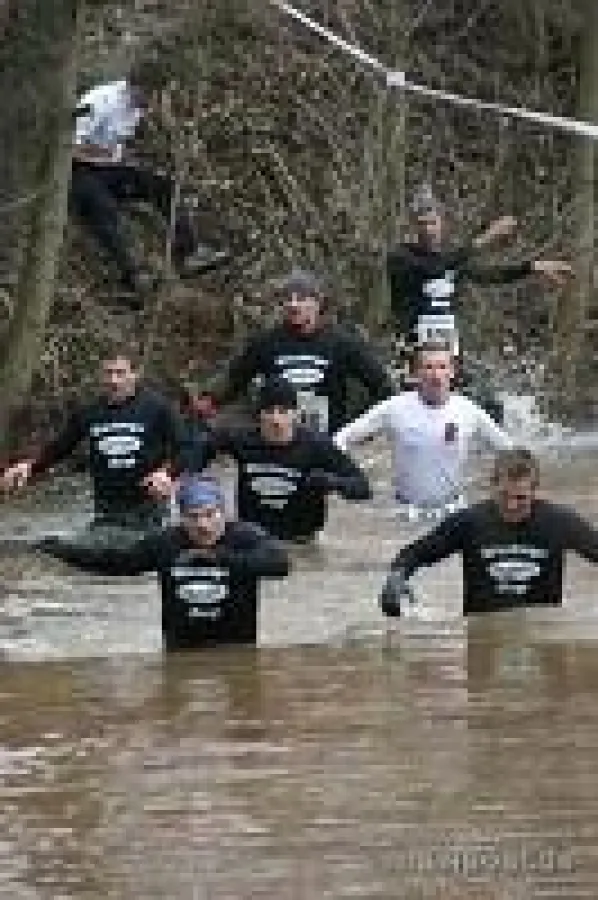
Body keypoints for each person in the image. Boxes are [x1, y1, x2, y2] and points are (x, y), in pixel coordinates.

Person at [386, 184, 573, 420]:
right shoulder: (401, 258)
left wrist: (531, 268)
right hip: (414, 347)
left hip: (447, 347)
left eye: (433, 223)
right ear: (413, 227)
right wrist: (486, 238)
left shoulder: (450, 259)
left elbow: (489, 275)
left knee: (478, 406)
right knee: (417, 407)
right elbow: (433, 268)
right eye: (422, 224)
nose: (428, 230)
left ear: (443, 225)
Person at [44, 476, 290, 651]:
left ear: (224, 513)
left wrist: (219, 558)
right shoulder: (167, 542)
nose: (203, 525)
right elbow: (116, 561)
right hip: (180, 651)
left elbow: (280, 564)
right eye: (193, 518)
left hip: (237, 651)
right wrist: (63, 551)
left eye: (210, 515)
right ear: (181, 518)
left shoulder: (244, 536)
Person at [0, 342, 187, 559]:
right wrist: (29, 467)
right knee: (70, 550)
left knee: (136, 554)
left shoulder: (158, 408)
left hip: (148, 509)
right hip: (107, 509)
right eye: (108, 373)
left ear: (135, 374)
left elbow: (187, 448)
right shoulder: (89, 412)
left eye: (120, 373)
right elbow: (60, 448)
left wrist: (168, 473)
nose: (113, 381)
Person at [71, 57, 231, 301]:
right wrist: (104, 155)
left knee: (163, 186)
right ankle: (133, 273)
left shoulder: (136, 108)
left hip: (109, 168)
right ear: (136, 87)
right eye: (152, 95)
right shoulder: (100, 102)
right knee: (103, 208)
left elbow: (118, 145)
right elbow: (67, 147)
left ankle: (189, 252)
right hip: (77, 170)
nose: (153, 103)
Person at [379, 447, 598, 617]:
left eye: (521, 498)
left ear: (534, 491)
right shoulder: (470, 522)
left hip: (542, 631)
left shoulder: (558, 521)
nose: (511, 505)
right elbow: (415, 553)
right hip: (482, 633)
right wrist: (397, 577)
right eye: (504, 495)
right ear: (492, 486)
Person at [186, 268, 394, 434]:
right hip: (276, 440)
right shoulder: (266, 342)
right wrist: (209, 399)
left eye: (302, 299)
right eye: (288, 299)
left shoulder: (342, 343)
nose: (294, 305)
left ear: (317, 303)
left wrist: (365, 426)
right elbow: (234, 377)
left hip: (327, 440)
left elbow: (380, 383)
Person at [334, 343, 511, 519]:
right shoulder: (394, 408)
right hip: (405, 512)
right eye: (428, 367)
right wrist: (342, 476)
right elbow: (342, 439)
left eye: (442, 367)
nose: (436, 375)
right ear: (415, 373)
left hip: (453, 512)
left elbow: (510, 452)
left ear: (452, 372)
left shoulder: (468, 411)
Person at [187, 376, 372, 544]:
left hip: (300, 540)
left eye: (283, 411)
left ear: (295, 414)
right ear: (258, 415)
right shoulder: (242, 439)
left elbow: (363, 487)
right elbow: (204, 445)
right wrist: (194, 480)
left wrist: (333, 482)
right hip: (254, 536)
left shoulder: (317, 445)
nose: (276, 419)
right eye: (269, 411)